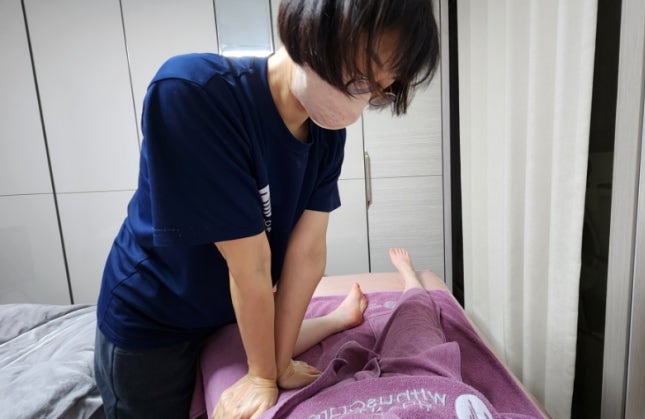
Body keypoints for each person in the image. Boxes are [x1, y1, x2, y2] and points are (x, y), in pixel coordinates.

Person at [93, 0, 440, 418]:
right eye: (362, 79)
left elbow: (307, 253)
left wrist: (278, 364)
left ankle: (336, 319)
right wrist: (263, 375)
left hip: (226, 312)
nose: (362, 105)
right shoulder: (193, 92)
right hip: (155, 318)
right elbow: (251, 264)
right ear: (313, 32)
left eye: (381, 90)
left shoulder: (326, 134)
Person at [200, 248, 502, 418]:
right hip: (425, 384)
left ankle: (339, 318)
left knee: (240, 346)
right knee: (416, 318)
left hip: (326, 405)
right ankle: (410, 279)